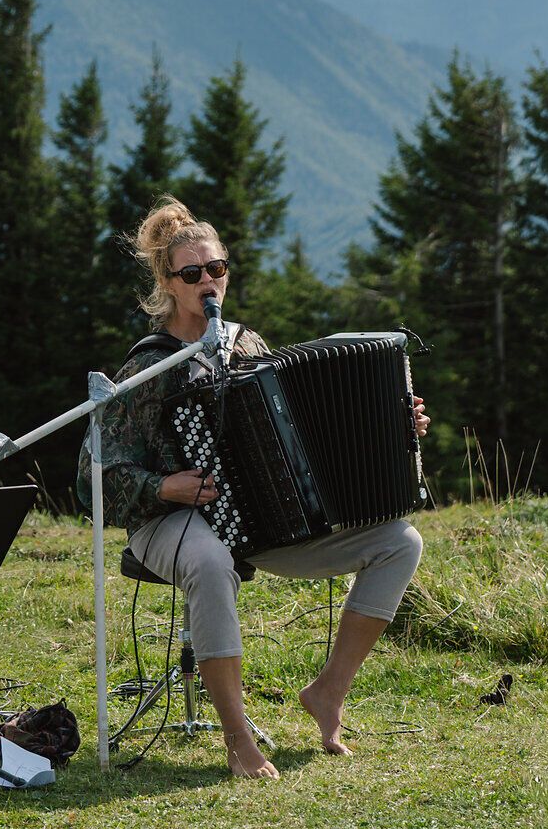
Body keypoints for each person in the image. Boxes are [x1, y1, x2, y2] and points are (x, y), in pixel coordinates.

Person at [78, 197, 428, 780]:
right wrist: (164, 486)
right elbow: (93, 475)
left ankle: (328, 693)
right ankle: (238, 738)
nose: (208, 282)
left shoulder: (247, 346)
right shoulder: (149, 366)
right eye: (192, 273)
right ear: (168, 284)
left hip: (263, 523)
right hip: (165, 522)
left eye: (216, 268)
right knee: (210, 562)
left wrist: (394, 427)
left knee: (400, 542)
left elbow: (304, 432)